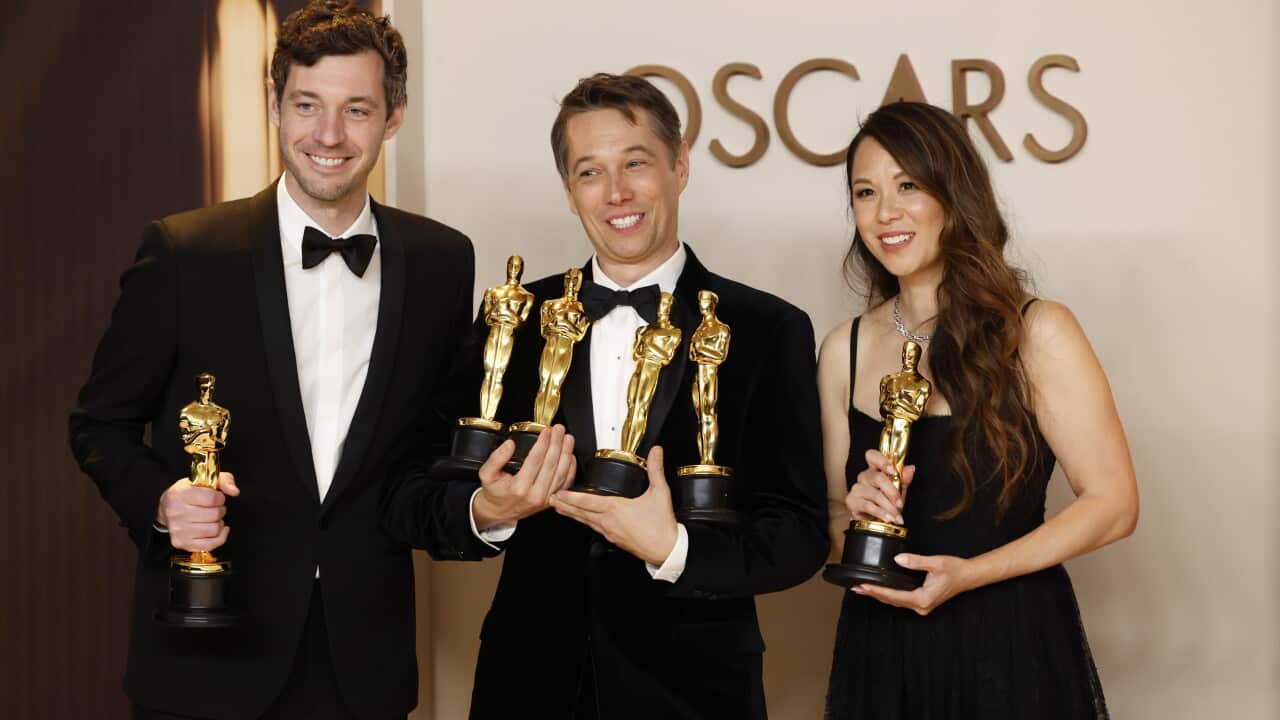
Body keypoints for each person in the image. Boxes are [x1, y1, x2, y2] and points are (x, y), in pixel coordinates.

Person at [68, 3, 569, 718]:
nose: (329, 135)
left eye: (356, 109)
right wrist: (162, 501)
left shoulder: (441, 261)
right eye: (307, 105)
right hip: (206, 658)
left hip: (363, 668)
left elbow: (424, 459)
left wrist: (484, 512)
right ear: (274, 104)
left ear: (393, 117)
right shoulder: (185, 253)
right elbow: (99, 425)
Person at [426, 73, 827, 719]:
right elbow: (419, 494)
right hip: (527, 686)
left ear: (680, 166)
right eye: (590, 172)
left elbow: (801, 534)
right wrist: (489, 510)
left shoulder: (767, 328)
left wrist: (674, 549)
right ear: (569, 191)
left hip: (694, 695)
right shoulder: (516, 319)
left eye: (635, 163)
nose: (616, 192)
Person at [817, 101, 1139, 719]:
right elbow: (830, 527)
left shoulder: (1036, 331)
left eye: (908, 185)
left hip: (1011, 640)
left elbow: (1115, 504)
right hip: (881, 650)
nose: (885, 213)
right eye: (865, 192)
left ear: (955, 193)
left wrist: (970, 574)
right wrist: (853, 515)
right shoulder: (842, 350)